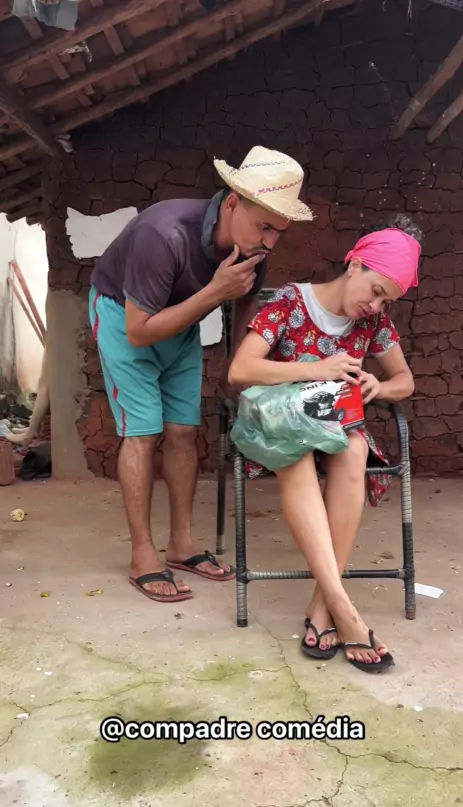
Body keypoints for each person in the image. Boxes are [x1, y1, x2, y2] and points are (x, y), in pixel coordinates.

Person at [88, 146, 313, 603]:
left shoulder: (254, 248)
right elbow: (139, 331)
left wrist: (238, 371)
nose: (270, 242)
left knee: (184, 432)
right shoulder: (162, 234)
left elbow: (246, 309)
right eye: (264, 227)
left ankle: (182, 543)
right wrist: (214, 291)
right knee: (143, 432)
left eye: (278, 231)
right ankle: (143, 554)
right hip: (124, 319)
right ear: (231, 204)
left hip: (180, 323)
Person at [228, 223, 421, 673]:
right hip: (283, 425)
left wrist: (380, 386)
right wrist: (317, 368)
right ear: (355, 265)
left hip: (338, 426)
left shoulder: (373, 322)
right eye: (375, 291)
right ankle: (342, 605)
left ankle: (323, 603)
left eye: (386, 301)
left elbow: (405, 380)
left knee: (353, 449)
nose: (375, 305)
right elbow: (241, 370)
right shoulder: (290, 302)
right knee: (297, 456)